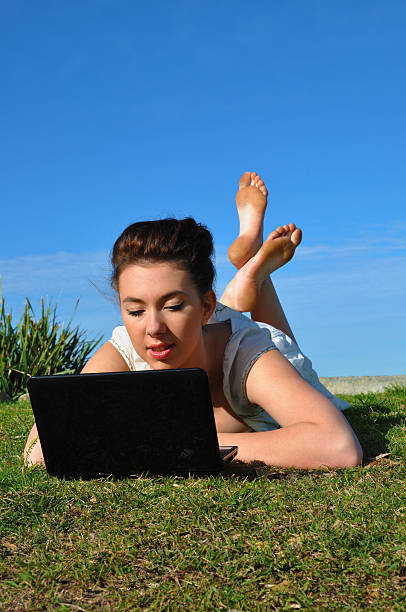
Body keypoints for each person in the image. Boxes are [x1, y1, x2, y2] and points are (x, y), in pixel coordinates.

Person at [24, 171, 362, 469]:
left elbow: (338, 446)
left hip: (250, 344)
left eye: (172, 306)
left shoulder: (248, 356)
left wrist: (180, 446)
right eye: (136, 310)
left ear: (204, 309)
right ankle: (251, 270)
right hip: (208, 329)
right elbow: (40, 450)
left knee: (279, 342)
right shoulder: (124, 348)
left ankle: (253, 274)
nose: (152, 328)